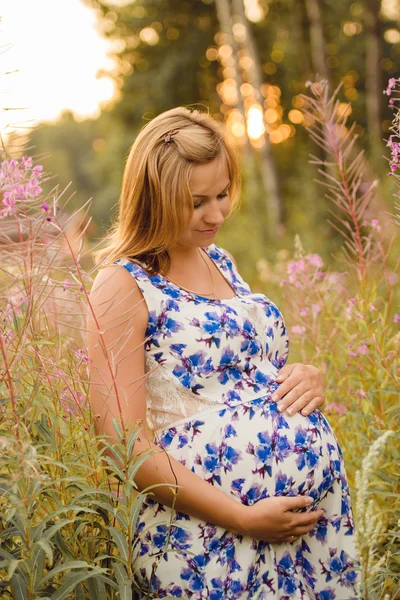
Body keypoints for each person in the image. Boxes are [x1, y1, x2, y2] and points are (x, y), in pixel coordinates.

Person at [87, 107, 360, 599]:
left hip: (296, 540)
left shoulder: (220, 259)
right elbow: (120, 442)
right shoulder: (120, 285)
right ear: (155, 198)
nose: (216, 215)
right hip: (209, 543)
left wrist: (306, 375)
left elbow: (251, 373)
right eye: (195, 202)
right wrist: (242, 517)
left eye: (222, 194)